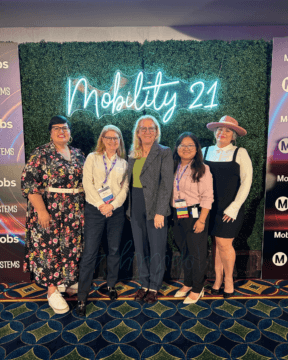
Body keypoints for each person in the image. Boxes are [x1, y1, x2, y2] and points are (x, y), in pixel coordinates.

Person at [21, 115, 85, 314]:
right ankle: (52, 290)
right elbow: (29, 184)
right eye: (56, 128)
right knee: (49, 248)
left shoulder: (78, 153)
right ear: (50, 132)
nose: (61, 131)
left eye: (65, 128)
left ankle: (65, 281)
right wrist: (41, 210)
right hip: (49, 210)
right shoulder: (41, 153)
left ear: (70, 132)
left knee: (70, 246)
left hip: (74, 212)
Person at [76, 125, 129, 316]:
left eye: (116, 139)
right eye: (109, 138)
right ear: (102, 139)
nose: (112, 141)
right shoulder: (92, 157)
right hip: (95, 209)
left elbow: (124, 190)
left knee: (114, 250)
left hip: (115, 211)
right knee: (90, 252)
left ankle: (111, 285)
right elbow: (86, 183)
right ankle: (82, 297)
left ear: (120, 141)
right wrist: (101, 205)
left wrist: (112, 206)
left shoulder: (123, 163)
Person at [203, 115, 253, 298]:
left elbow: (247, 182)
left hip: (230, 208)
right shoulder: (205, 151)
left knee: (225, 243)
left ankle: (229, 281)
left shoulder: (240, 152)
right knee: (216, 244)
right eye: (220, 129)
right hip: (209, 207)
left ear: (233, 136)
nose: (222, 133)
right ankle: (217, 280)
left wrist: (234, 207)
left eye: (227, 130)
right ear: (215, 132)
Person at [126, 115, 174, 304]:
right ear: (137, 133)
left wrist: (161, 211)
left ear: (156, 132)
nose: (147, 131)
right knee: (140, 248)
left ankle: (154, 286)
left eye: (151, 128)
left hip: (155, 207)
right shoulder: (132, 153)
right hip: (135, 205)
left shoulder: (164, 152)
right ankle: (143, 284)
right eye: (143, 128)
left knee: (157, 248)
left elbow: (166, 184)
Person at [172, 132, 213, 304]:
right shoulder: (174, 166)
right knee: (185, 251)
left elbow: (208, 196)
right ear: (177, 148)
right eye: (183, 145)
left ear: (197, 149)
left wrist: (202, 220)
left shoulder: (203, 168)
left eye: (190, 145)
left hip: (196, 213)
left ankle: (198, 288)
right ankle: (188, 283)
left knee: (197, 253)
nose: (186, 148)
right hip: (178, 213)